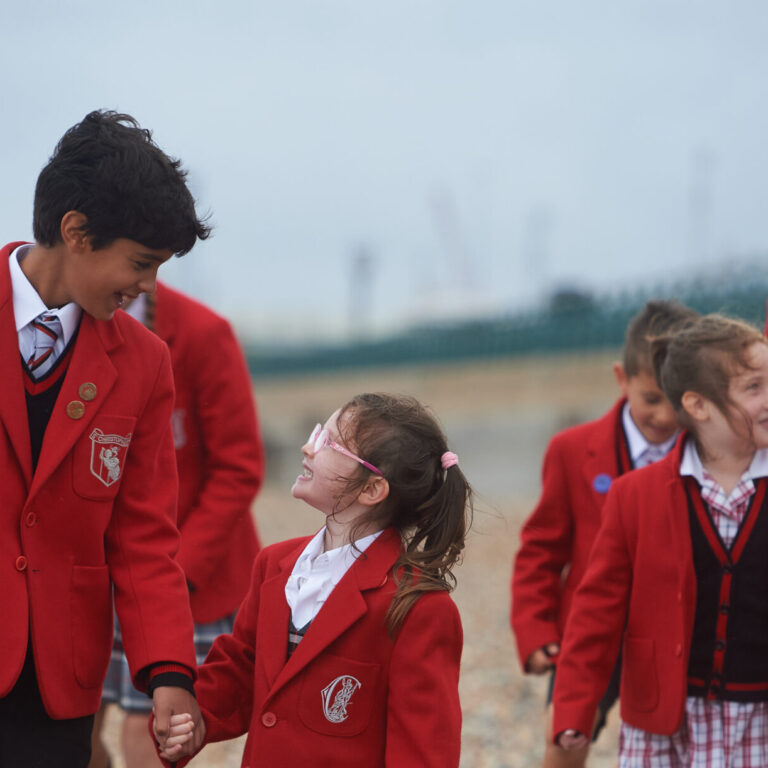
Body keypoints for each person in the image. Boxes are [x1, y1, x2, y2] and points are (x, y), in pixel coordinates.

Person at [0, 110, 210, 767]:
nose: (149, 286)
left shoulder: (146, 364)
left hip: (58, 687)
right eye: (142, 263)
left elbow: (145, 535)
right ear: (76, 232)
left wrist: (170, 670)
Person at [154, 392, 472, 767]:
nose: (308, 447)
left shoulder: (418, 607)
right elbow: (242, 670)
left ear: (372, 489)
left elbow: (424, 751)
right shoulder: (273, 565)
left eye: (329, 443)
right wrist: (193, 719)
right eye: (318, 432)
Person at [552, 314, 768, 766]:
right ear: (698, 405)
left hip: (760, 720)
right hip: (663, 721)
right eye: (754, 388)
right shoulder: (636, 495)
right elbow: (595, 614)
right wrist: (574, 709)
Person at [511, 299, 699, 767]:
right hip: (589, 633)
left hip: (675, 633)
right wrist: (534, 631)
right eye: (651, 398)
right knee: (564, 743)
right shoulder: (571, 451)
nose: (664, 416)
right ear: (622, 379)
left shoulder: (707, 454)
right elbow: (540, 551)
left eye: (677, 402)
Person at [89, 282, 265, 768]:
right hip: (89, 574)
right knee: (68, 732)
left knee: (148, 729)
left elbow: (240, 466)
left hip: (186, 574)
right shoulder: (71, 322)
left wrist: (173, 572)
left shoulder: (204, 333)